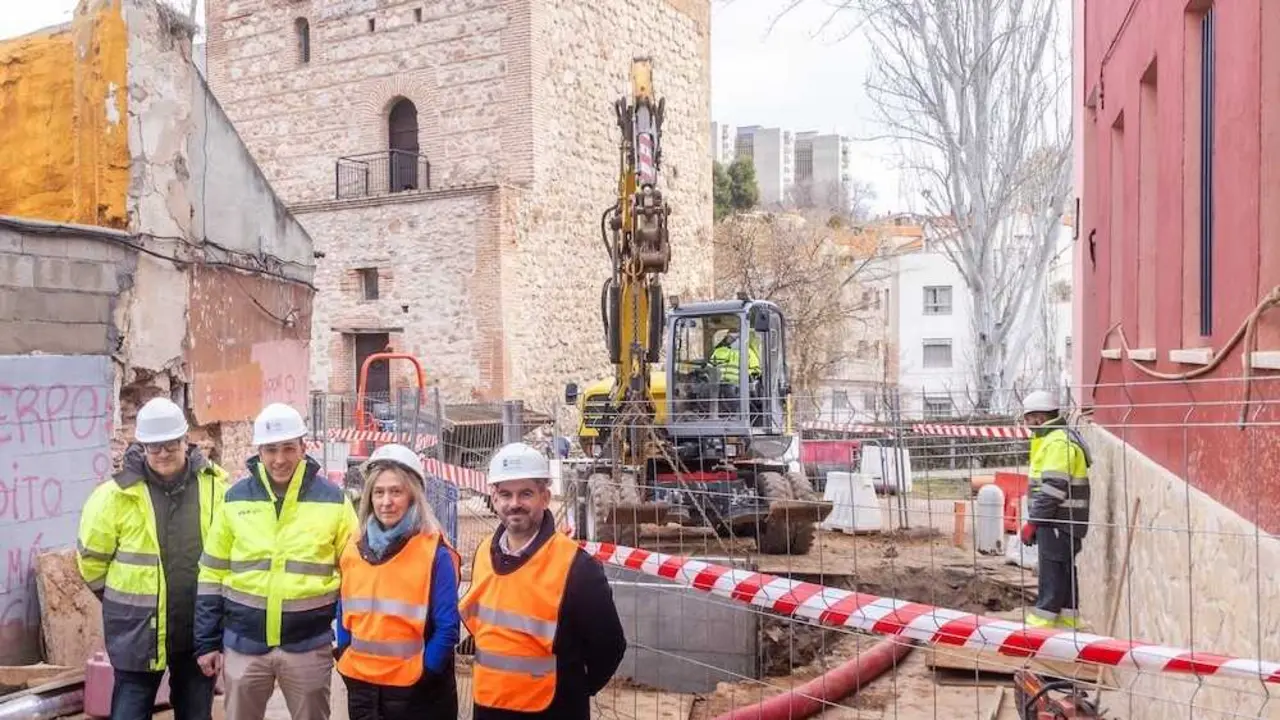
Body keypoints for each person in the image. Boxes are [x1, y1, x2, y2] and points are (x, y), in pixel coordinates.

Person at [194, 402, 358, 720]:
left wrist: (348, 637)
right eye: (271, 450)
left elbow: (355, 573)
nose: (279, 459)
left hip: (309, 645)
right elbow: (211, 573)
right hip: (244, 644)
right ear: (259, 450)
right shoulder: (234, 499)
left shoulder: (334, 501)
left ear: (303, 447)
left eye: (288, 448)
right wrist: (207, 642)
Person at [76, 397, 231, 720]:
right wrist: (125, 603)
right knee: (129, 712)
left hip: (197, 631)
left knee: (196, 714)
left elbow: (229, 554)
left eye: (171, 444)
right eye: (154, 446)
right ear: (142, 446)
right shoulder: (113, 496)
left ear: (185, 441)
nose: (162, 453)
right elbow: (91, 562)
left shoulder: (216, 487)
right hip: (137, 631)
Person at [460, 442, 627, 720]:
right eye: (505, 494)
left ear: (545, 496)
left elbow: (609, 648)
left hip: (552, 710)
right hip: (488, 706)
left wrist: (572, 692)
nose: (514, 504)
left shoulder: (578, 567)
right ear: (493, 497)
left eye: (526, 493)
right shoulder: (483, 553)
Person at [335, 443, 461, 720]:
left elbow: (447, 627)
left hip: (417, 696)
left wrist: (426, 673)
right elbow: (343, 610)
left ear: (413, 496)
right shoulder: (354, 548)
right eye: (379, 492)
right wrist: (345, 652)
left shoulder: (435, 553)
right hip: (364, 690)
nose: (386, 502)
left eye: (396, 491)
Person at [1017, 390, 1093, 630]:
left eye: (1028, 419)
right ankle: (1068, 619)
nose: (1026, 425)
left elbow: (1052, 489)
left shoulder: (1057, 442)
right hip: (1063, 521)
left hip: (1059, 520)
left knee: (1052, 571)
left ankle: (1042, 621)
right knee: (1064, 569)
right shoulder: (1057, 438)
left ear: (1039, 418)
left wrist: (1033, 522)